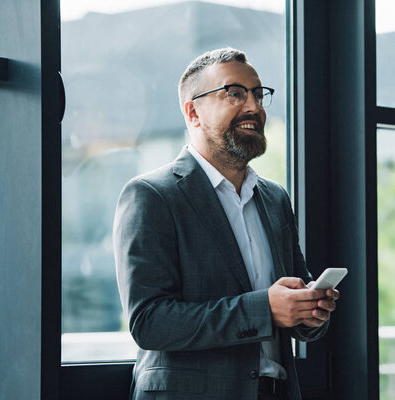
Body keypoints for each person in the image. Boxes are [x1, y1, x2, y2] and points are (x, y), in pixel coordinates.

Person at [113, 48, 340, 400]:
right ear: (193, 112)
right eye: (234, 93)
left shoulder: (275, 199)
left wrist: (309, 311)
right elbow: (149, 322)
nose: (254, 106)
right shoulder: (151, 195)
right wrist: (265, 308)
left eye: (258, 94)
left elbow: (290, 301)